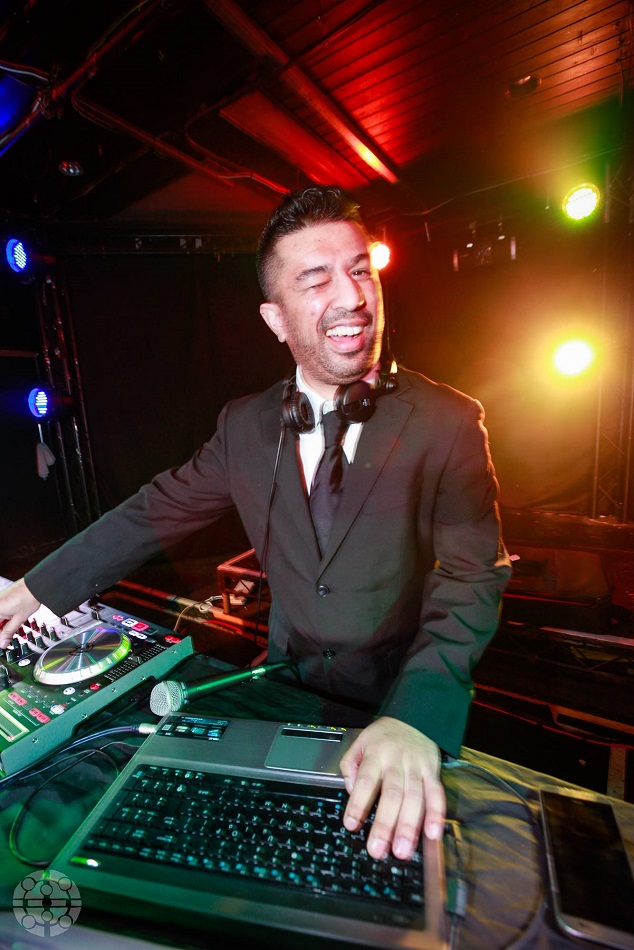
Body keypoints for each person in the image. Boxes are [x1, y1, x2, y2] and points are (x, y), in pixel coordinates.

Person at [0, 185, 511, 861]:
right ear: (275, 318)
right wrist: (33, 591)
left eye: (361, 270)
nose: (353, 296)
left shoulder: (449, 421)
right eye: (316, 279)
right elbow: (155, 510)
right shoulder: (244, 425)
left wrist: (418, 715)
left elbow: (474, 575)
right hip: (281, 686)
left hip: (395, 698)